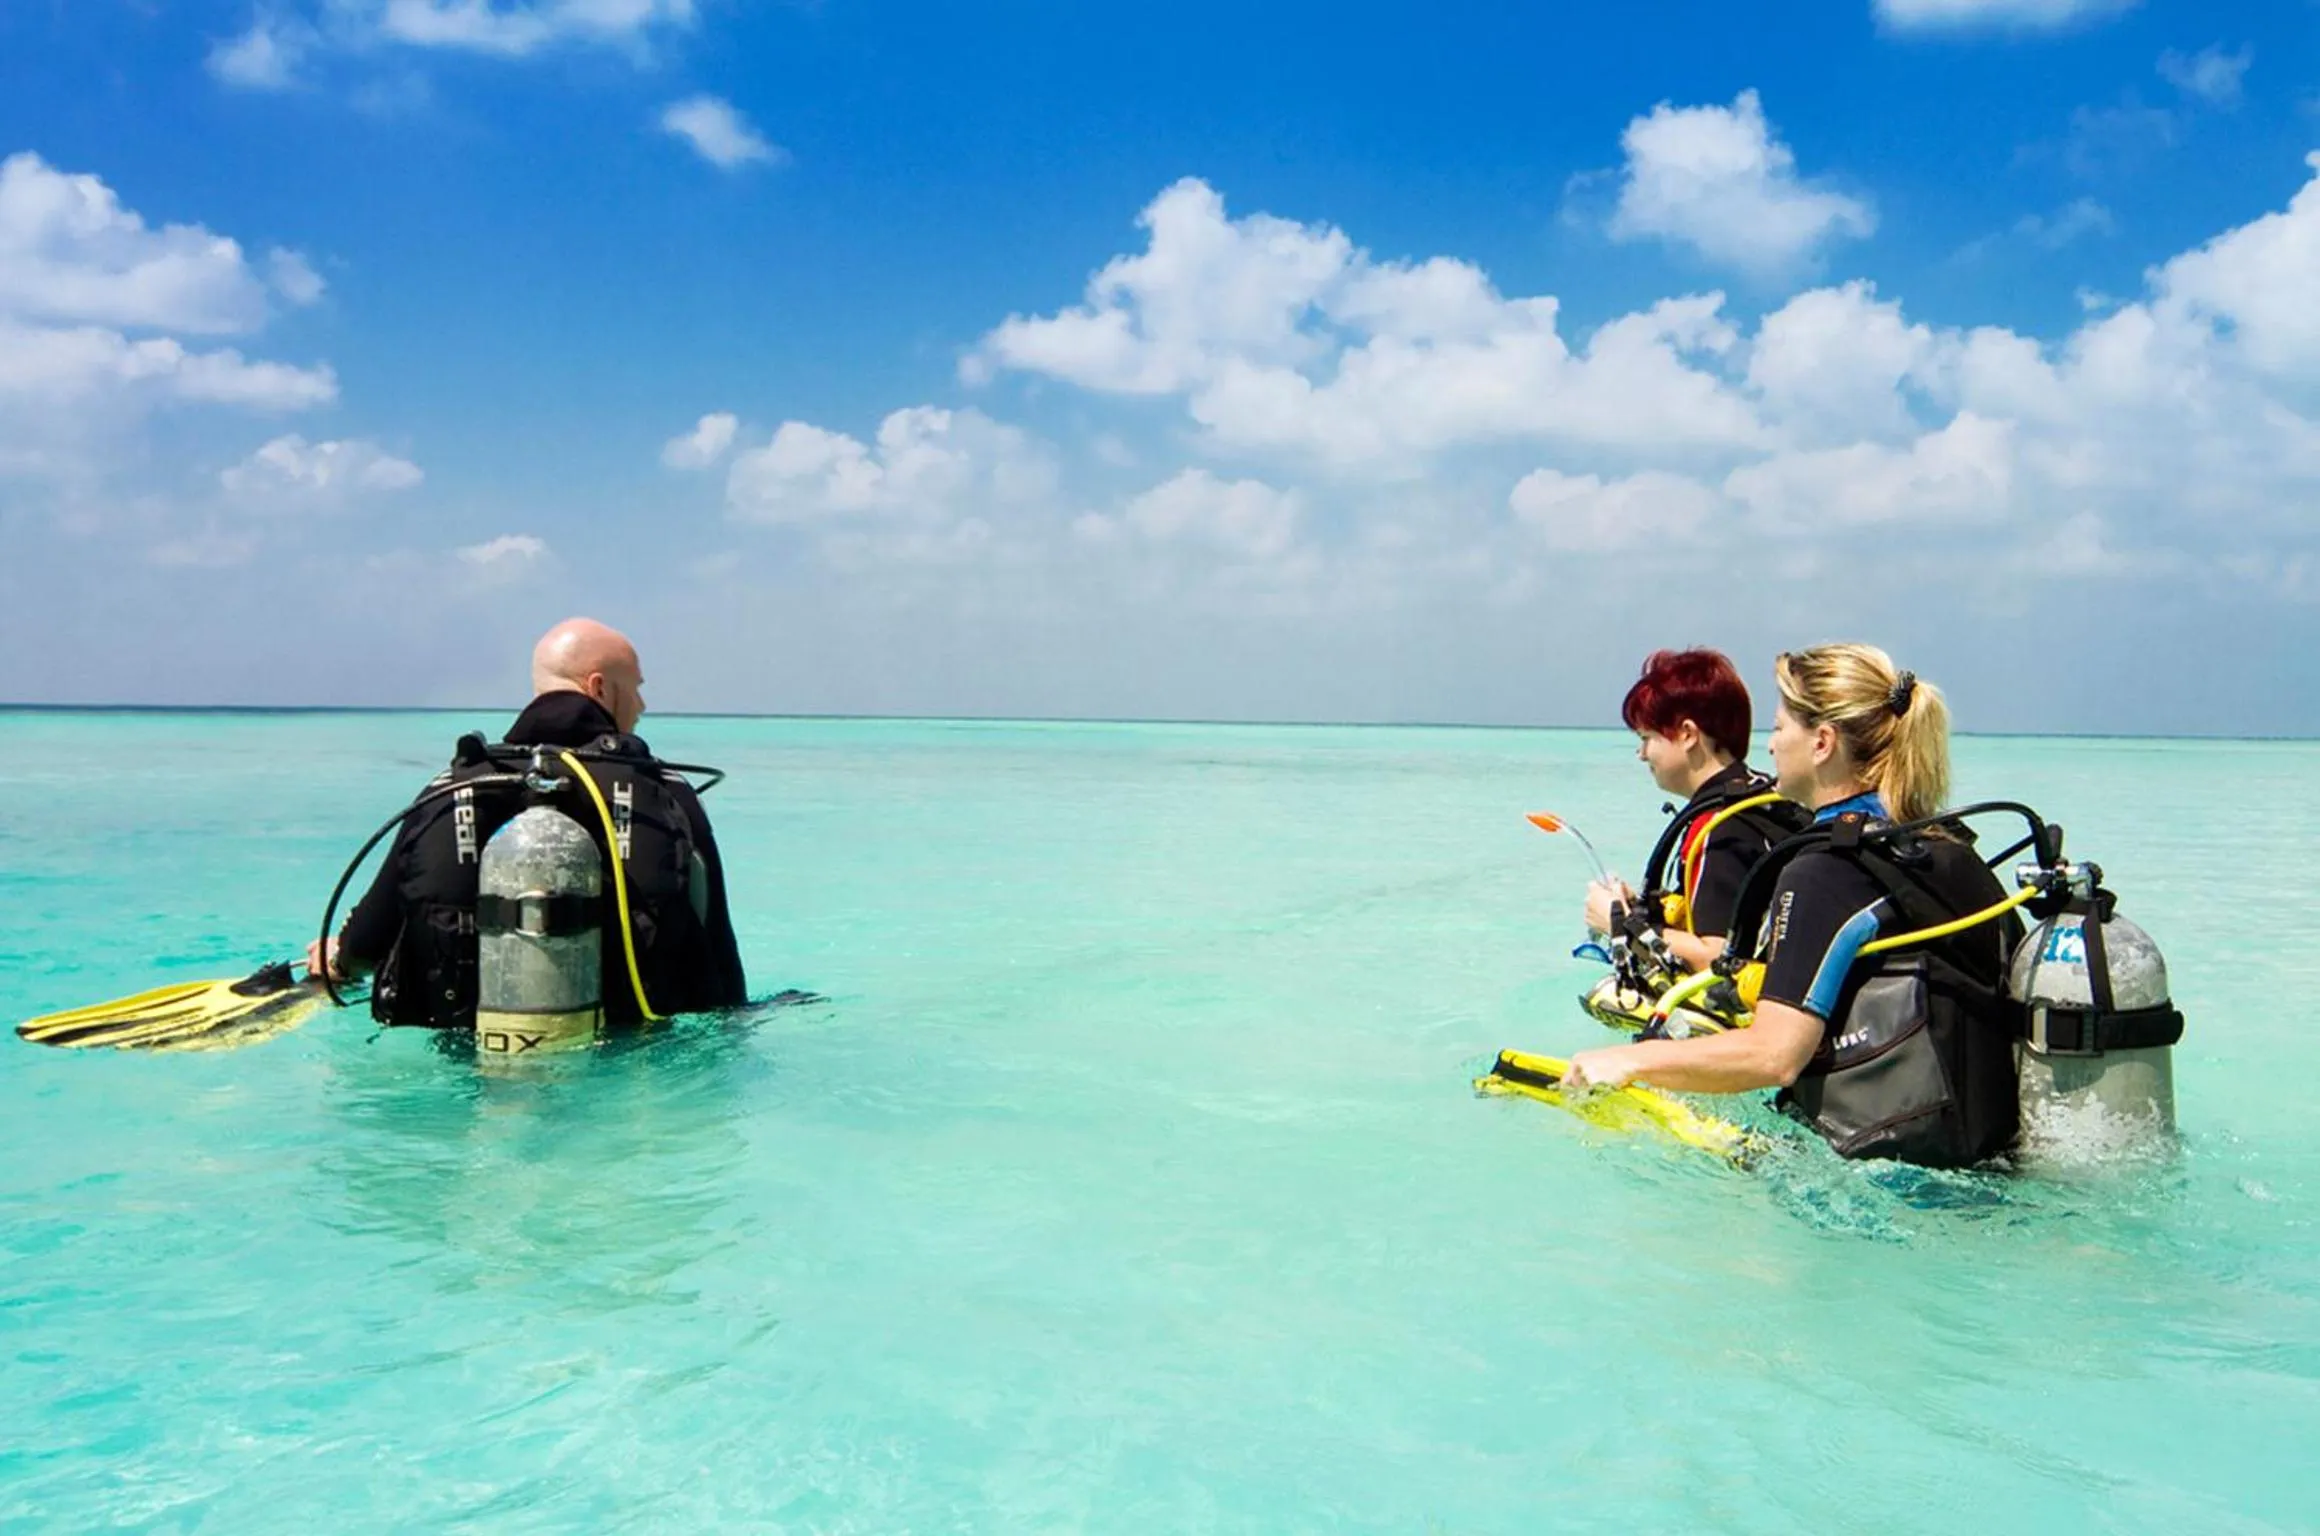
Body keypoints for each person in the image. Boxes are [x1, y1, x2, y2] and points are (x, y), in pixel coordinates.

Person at [1564, 644, 2024, 1168]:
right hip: (1990, 1151)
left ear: (1822, 743)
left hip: (1896, 1177)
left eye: (1780, 729)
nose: (1771, 745)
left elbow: (1774, 1055)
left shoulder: (1825, 871)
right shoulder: (1946, 846)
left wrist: (1628, 1061)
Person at [308, 617, 749, 1029]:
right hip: (632, 1054)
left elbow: (372, 935)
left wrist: (337, 958)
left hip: (473, 1057)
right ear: (598, 687)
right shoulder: (668, 792)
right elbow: (721, 958)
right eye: (635, 688)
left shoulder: (453, 787)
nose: (642, 704)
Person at [1582, 648, 1807, 974]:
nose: (1641, 754)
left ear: (1687, 735)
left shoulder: (1721, 827)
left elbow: (1718, 957)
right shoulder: (1760, 799)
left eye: (1647, 738)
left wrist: (1617, 923)